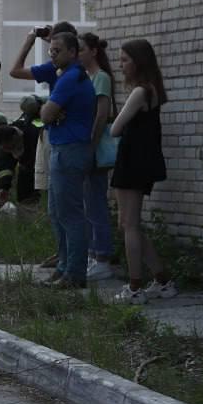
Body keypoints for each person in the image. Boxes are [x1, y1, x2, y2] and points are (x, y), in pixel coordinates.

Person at [110, 39, 176, 304]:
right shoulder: (153, 90)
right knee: (129, 224)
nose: (121, 65)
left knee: (129, 226)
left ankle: (135, 289)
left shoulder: (140, 92)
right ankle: (162, 281)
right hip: (141, 161)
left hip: (133, 161)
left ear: (138, 62)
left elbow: (115, 128)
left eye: (125, 60)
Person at [10, 20, 77, 268]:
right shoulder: (54, 68)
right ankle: (63, 254)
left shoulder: (76, 72)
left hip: (68, 139)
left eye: (58, 43)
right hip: (53, 135)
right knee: (54, 204)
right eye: (52, 43)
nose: (52, 48)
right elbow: (15, 71)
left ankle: (74, 259)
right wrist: (31, 38)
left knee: (69, 206)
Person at [39, 33, 97, 288]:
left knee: (70, 214)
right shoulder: (66, 76)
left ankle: (75, 274)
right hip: (62, 148)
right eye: (51, 50)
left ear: (73, 52)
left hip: (70, 150)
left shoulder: (72, 76)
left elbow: (46, 113)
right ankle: (63, 267)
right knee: (56, 212)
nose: (52, 55)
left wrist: (47, 109)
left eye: (58, 50)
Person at [80, 33, 116, 281]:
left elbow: (102, 114)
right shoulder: (84, 77)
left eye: (81, 49)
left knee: (96, 203)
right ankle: (93, 254)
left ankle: (103, 257)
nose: (78, 53)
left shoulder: (101, 77)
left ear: (93, 51)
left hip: (93, 147)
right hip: (83, 145)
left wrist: (90, 146)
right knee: (87, 203)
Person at [0, 95, 42, 206]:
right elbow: (5, 166)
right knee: (24, 198)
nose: (9, 151)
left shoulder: (33, 133)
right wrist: (3, 187)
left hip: (39, 166)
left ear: (16, 138)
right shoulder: (7, 137)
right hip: (26, 168)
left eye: (11, 147)